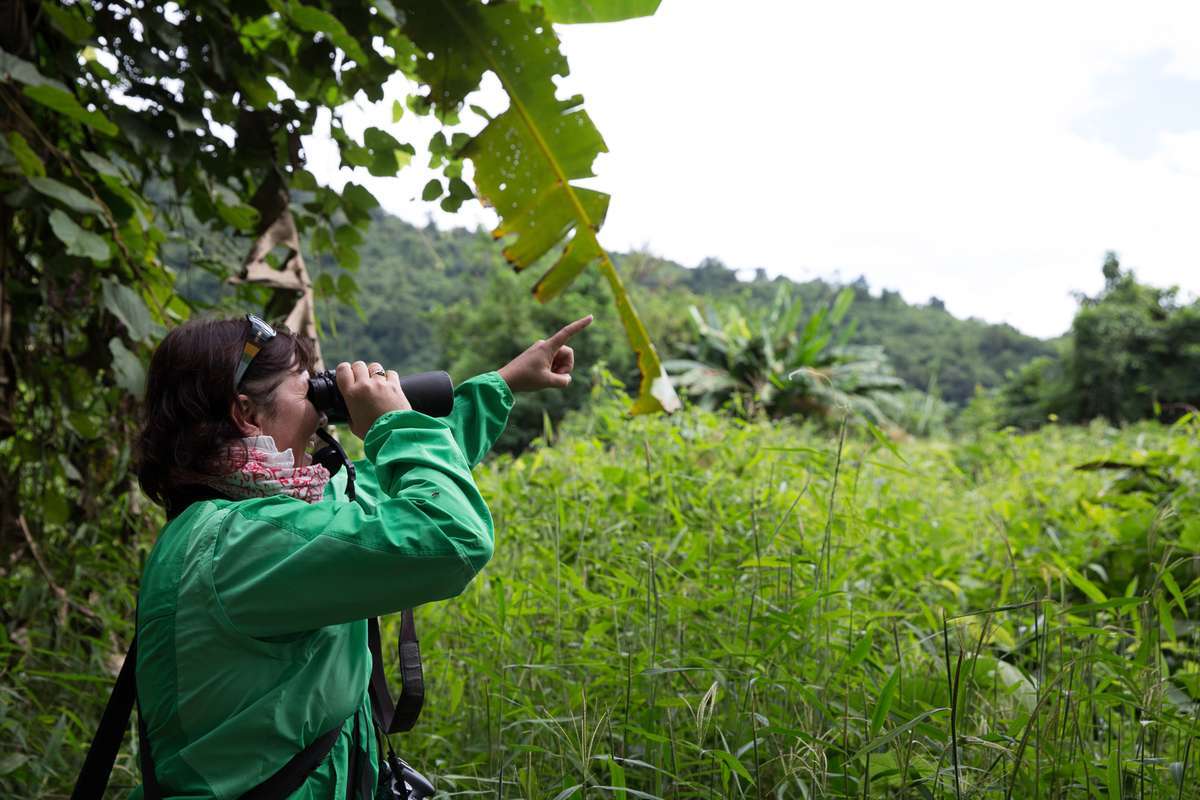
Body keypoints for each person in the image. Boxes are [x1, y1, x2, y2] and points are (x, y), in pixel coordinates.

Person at [130, 312, 592, 799]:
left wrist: (503, 382)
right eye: (308, 390)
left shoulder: (249, 518)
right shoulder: (240, 546)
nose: (321, 412)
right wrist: (392, 424)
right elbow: (450, 534)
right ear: (246, 414)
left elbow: (378, 485)